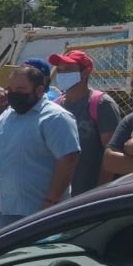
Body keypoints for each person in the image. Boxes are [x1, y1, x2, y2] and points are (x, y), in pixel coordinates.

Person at [0, 65, 81, 227]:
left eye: (21, 89)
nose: (14, 94)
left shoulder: (55, 118)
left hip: (43, 213)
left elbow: (68, 161)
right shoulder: (5, 118)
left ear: (38, 90)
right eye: (11, 89)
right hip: (6, 211)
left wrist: (50, 202)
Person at [48, 50, 122, 195]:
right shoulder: (55, 106)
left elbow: (111, 154)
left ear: (86, 72)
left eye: (68, 69)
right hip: (60, 196)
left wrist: (100, 193)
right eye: (60, 70)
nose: (62, 74)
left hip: (89, 196)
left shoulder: (101, 104)